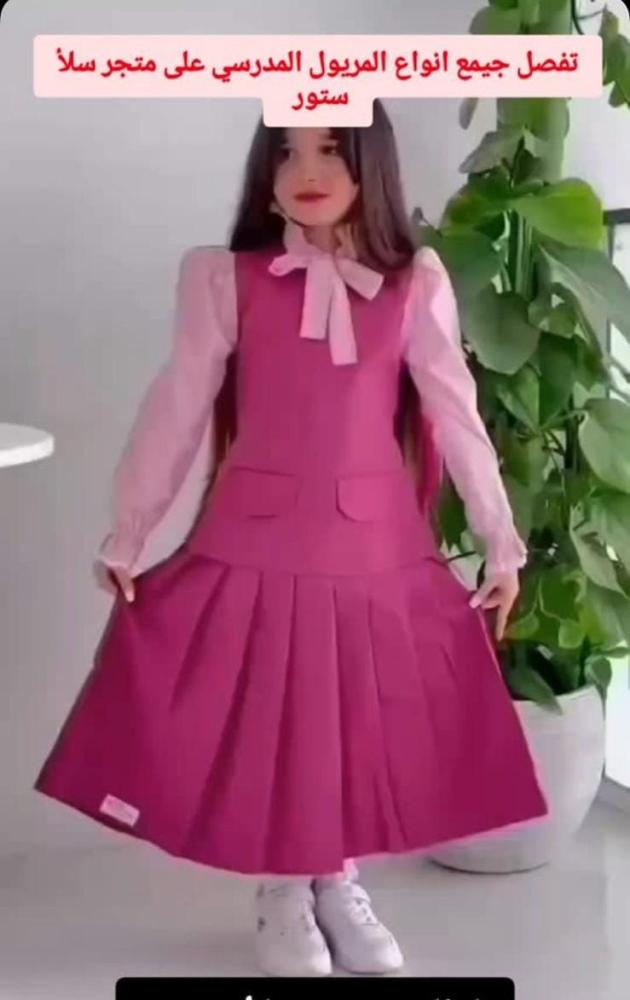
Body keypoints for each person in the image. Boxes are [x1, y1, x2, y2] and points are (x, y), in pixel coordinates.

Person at [34, 102, 549, 978]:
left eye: (331, 151)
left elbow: (455, 410)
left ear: (370, 165)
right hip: (256, 540)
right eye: (286, 153)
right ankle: (283, 886)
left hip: (375, 546)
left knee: (354, 714)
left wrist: (502, 544)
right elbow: (178, 406)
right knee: (275, 711)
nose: (306, 172)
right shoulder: (224, 279)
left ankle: (336, 879)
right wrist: (130, 531)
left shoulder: (413, 282)